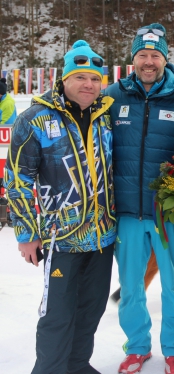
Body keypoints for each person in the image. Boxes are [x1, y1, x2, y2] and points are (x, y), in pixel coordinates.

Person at [4, 40, 115, 374]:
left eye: (95, 79)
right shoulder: (35, 119)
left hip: (102, 236)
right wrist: (25, 234)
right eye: (81, 77)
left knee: (91, 309)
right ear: (63, 79)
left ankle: (77, 365)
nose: (89, 85)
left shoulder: (105, 115)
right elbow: (17, 180)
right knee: (58, 314)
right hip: (60, 237)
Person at [104, 23, 174, 374]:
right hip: (127, 212)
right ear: (133, 58)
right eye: (142, 54)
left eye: (155, 55)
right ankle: (137, 348)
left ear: (164, 58)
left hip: (169, 214)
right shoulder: (114, 95)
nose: (148, 61)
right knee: (130, 290)